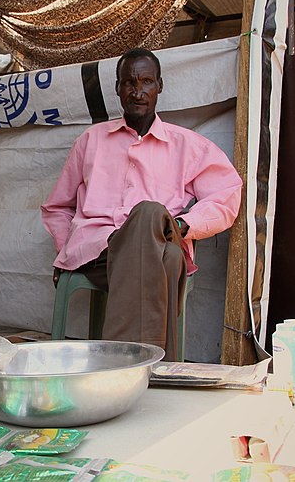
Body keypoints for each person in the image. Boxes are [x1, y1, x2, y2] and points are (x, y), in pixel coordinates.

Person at [41, 48, 242, 361]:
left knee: (155, 223)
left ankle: (122, 362)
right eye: (129, 82)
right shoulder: (91, 140)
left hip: (161, 239)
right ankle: (160, 368)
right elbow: (56, 207)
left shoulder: (185, 144)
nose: (138, 91)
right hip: (100, 253)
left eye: (146, 81)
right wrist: (65, 250)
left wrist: (183, 225)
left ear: (159, 85)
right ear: (118, 88)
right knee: (170, 256)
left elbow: (227, 193)